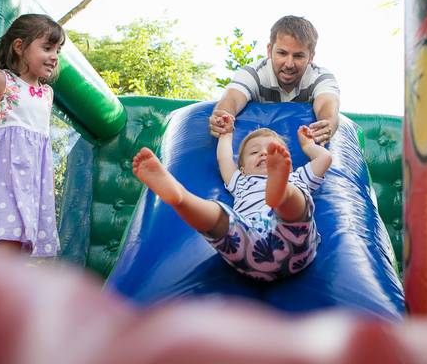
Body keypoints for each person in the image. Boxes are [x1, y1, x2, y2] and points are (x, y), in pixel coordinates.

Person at [132, 117, 332, 281]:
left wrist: (308, 145)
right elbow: (225, 160)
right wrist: (226, 135)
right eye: (255, 152)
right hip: (249, 242)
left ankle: (281, 194)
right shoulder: (241, 181)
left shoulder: (296, 176)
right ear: (243, 169)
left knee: (297, 204)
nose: (263, 154)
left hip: (294, 242)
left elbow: (324, 159)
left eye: (271, 152)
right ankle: (181, 198)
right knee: (221, 217)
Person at [0, 14, 65, 257]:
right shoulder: (1, 81)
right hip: (2, 177)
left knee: (17, 250)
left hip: (32, 182)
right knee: (5, 243)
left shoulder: (46, 93)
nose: (54, 56)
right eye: (47, 48)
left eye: (58, 50)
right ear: (19, 46)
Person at [210, 15, 340, 145]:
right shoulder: (255, 73)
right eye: (282, 53)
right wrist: (224, 116)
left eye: (298, 56)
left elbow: (327, 104)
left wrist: (326, 123)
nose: (289, 64)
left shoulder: (320, 77)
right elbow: (232, 98)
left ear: (311, 56)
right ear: (269, 50)